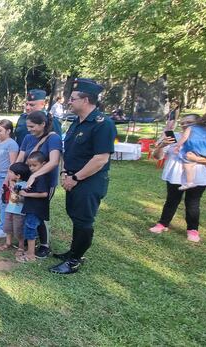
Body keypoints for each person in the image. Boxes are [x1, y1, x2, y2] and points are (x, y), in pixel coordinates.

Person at [51, 78, 116, 274]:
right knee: (75, 215)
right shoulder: (77, 123)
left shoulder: (103, 124)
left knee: (83, 220)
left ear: (86, 100)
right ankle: (73, 251)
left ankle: (75, 260)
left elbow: (100, 159)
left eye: (73, 98)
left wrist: (76, 178)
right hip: (73, 178)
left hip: (89, 182)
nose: (69, 102)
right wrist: (64, 172)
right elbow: (68, 151)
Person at [149, 114, 206, 242]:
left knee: (192, 203)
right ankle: (163, 224)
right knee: (171, 201)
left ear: (198, 123)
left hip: (197, 176)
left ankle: (192, 229)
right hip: (175, 176)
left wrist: (195, 159)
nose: (185, 124)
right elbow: (157, 157)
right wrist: (161, 146)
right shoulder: (173, 136)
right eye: (182, 122)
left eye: (189, 122)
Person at [11, 110, 62, 258]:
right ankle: (30, 236)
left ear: (43, 124)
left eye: (32, 126)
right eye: (28, 126)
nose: (29, 129)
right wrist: (13, 174)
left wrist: (35, 176)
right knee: (28, 210)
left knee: (39, 211)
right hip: (27, 181)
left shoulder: (53, 139)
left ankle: (44, 244)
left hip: (45, 183)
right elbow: (20, 158)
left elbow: (53, 161)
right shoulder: (28, 138)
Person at [17, 151, 51, 263]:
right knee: (29, 228)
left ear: (43, 164)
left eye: (34, 165)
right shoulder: (34, 176)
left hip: (36, 209)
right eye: (29, 165)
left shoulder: (42, 177)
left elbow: (44, 194)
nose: (31, 168)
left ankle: (31, 255)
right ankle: (29, 251)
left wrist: (27, 194)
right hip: (31, 207)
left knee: (31, 229)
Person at [0, 162, 30, 252]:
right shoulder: (14, 183)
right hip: (9, 209)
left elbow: (24, 199)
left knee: (18, 229)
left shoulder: (25, 185)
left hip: (19, 212)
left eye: (11, 172)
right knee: (8, 227)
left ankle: (21, 246)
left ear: (18, 176)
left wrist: (16, 194)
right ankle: (8, 242)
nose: (8, 174)